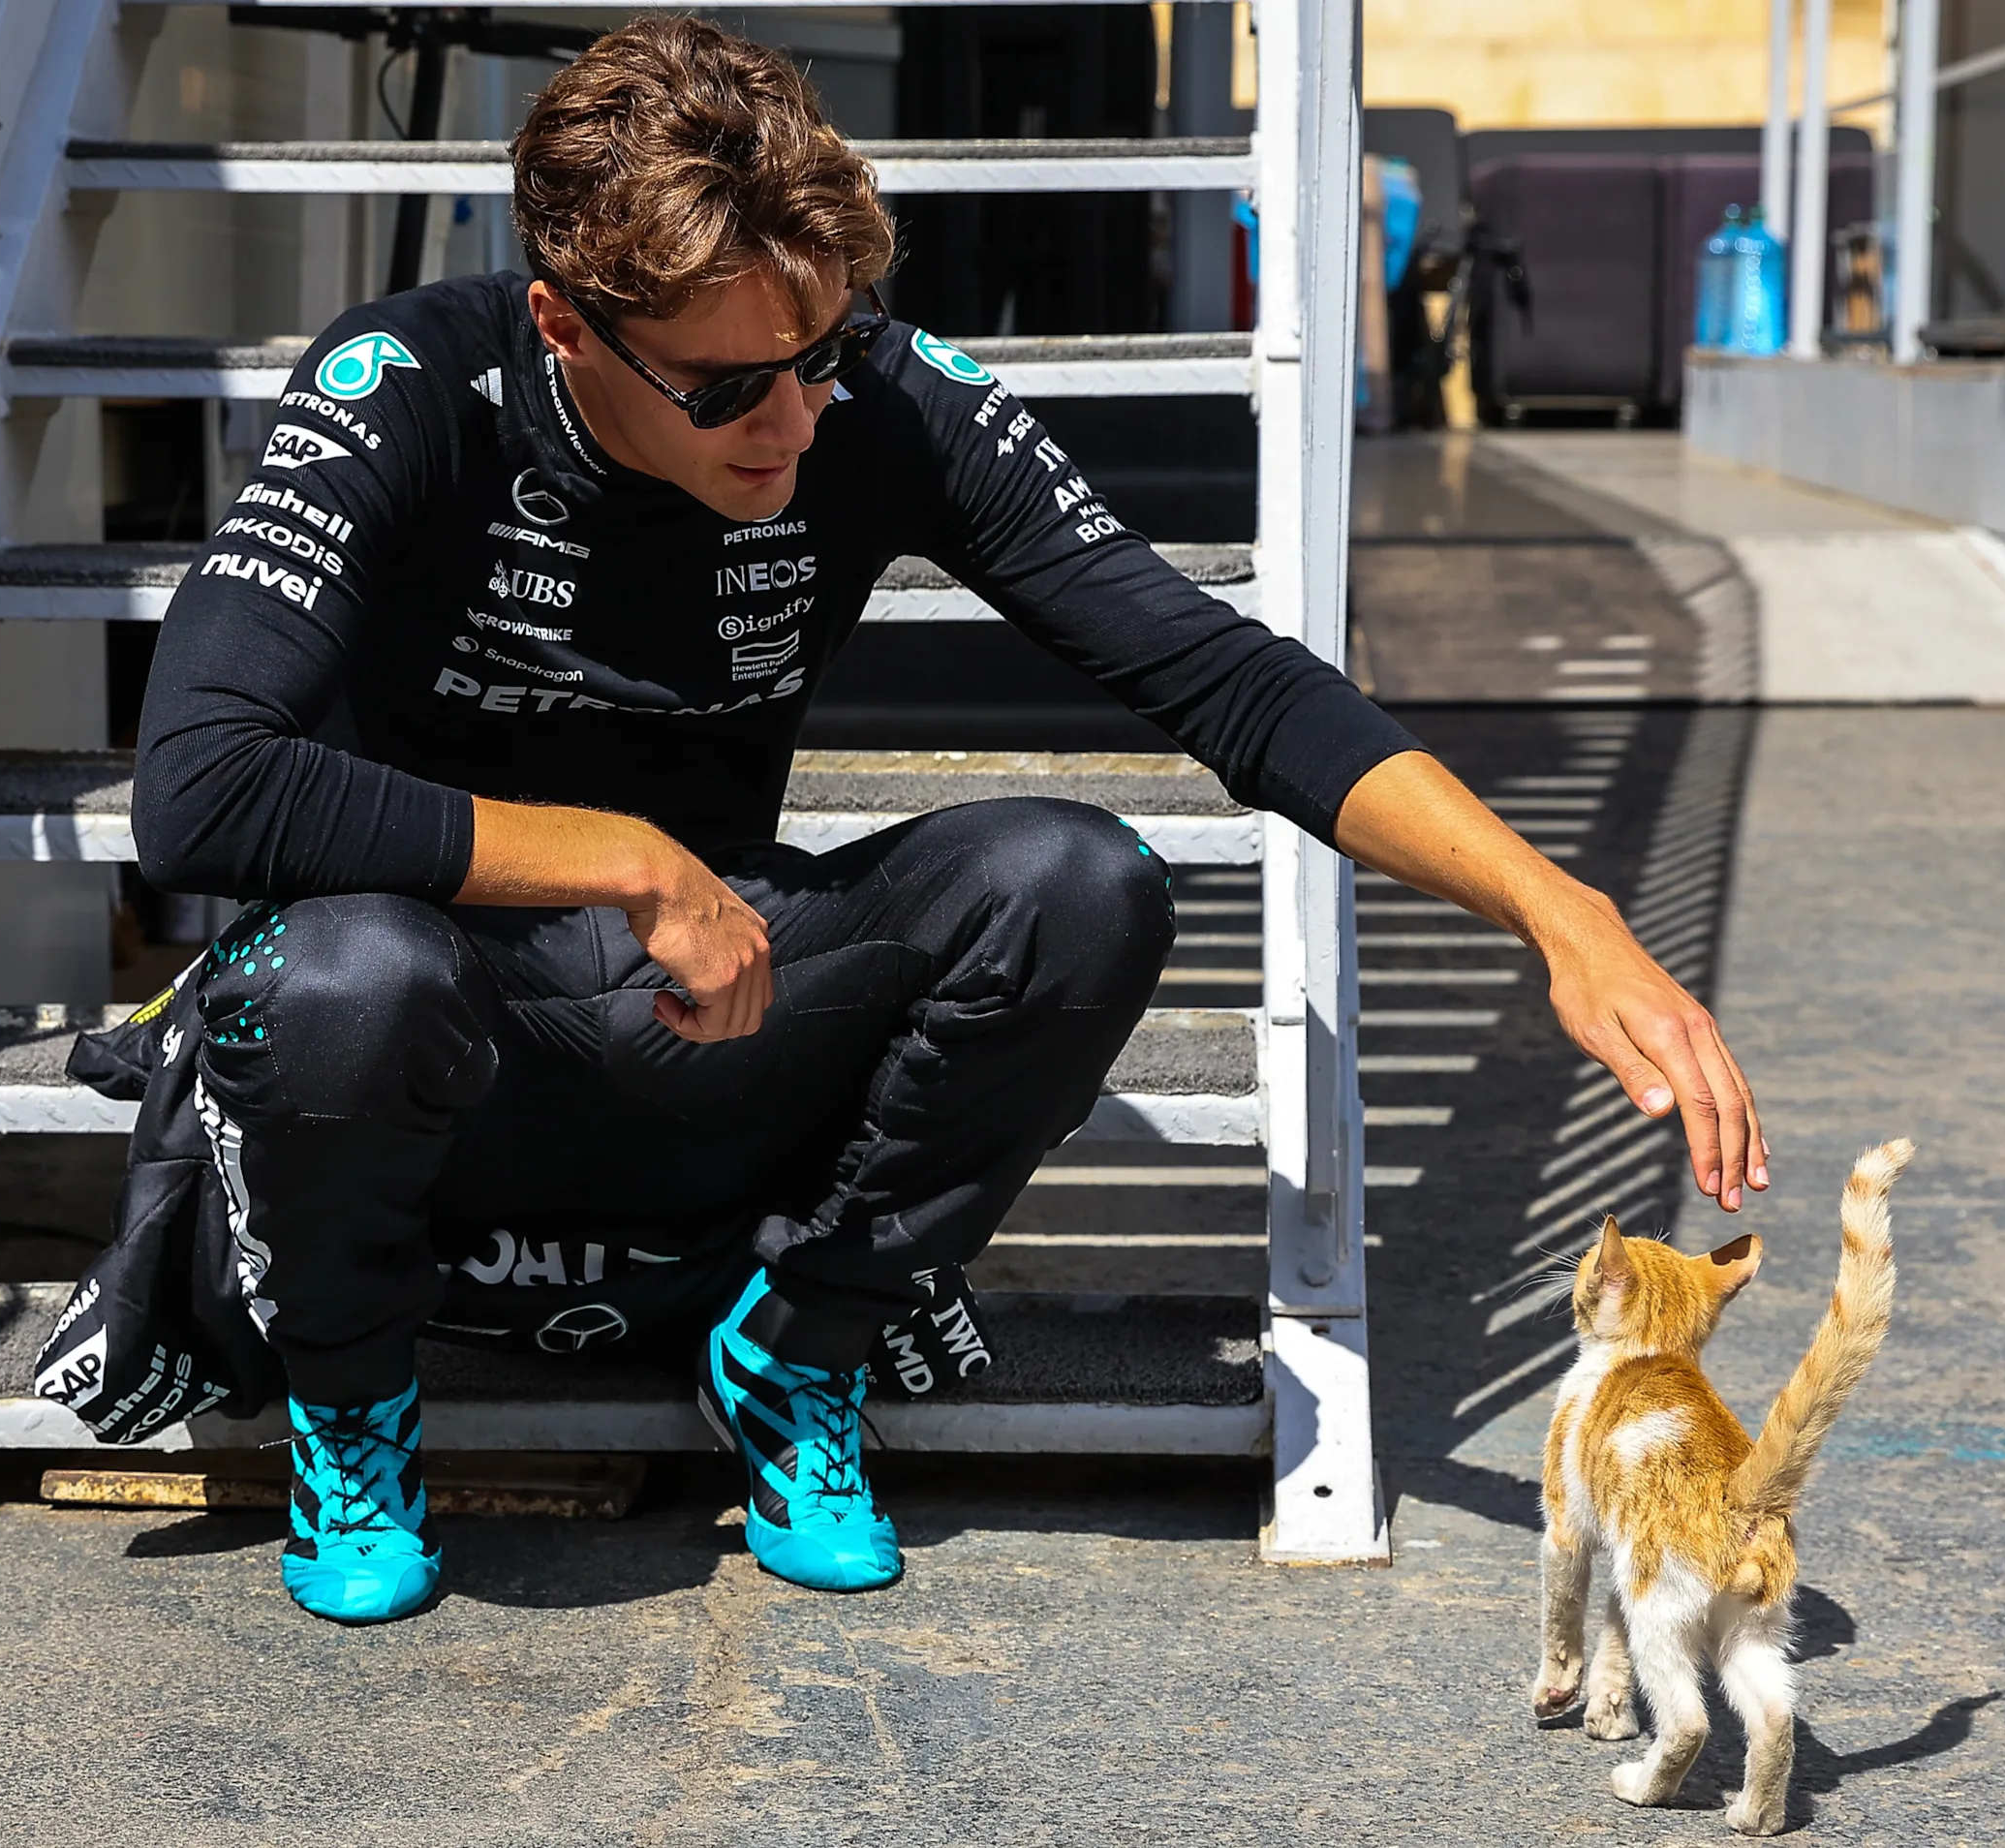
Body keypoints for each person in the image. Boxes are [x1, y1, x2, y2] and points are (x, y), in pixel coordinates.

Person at [131, 15, 1768, 1625]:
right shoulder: (408, 382)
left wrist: (1565, 914)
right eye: (727, 390)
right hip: (436, 1023)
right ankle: (349, 1407)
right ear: (566, 324)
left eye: (825, 354)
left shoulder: (877, 395)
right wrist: (623, 855)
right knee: (339, 977)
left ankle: (799, 1347)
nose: (794, 422)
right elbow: (200, 787)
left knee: (1082, 880)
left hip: (719, 1007)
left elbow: (1224, 678)